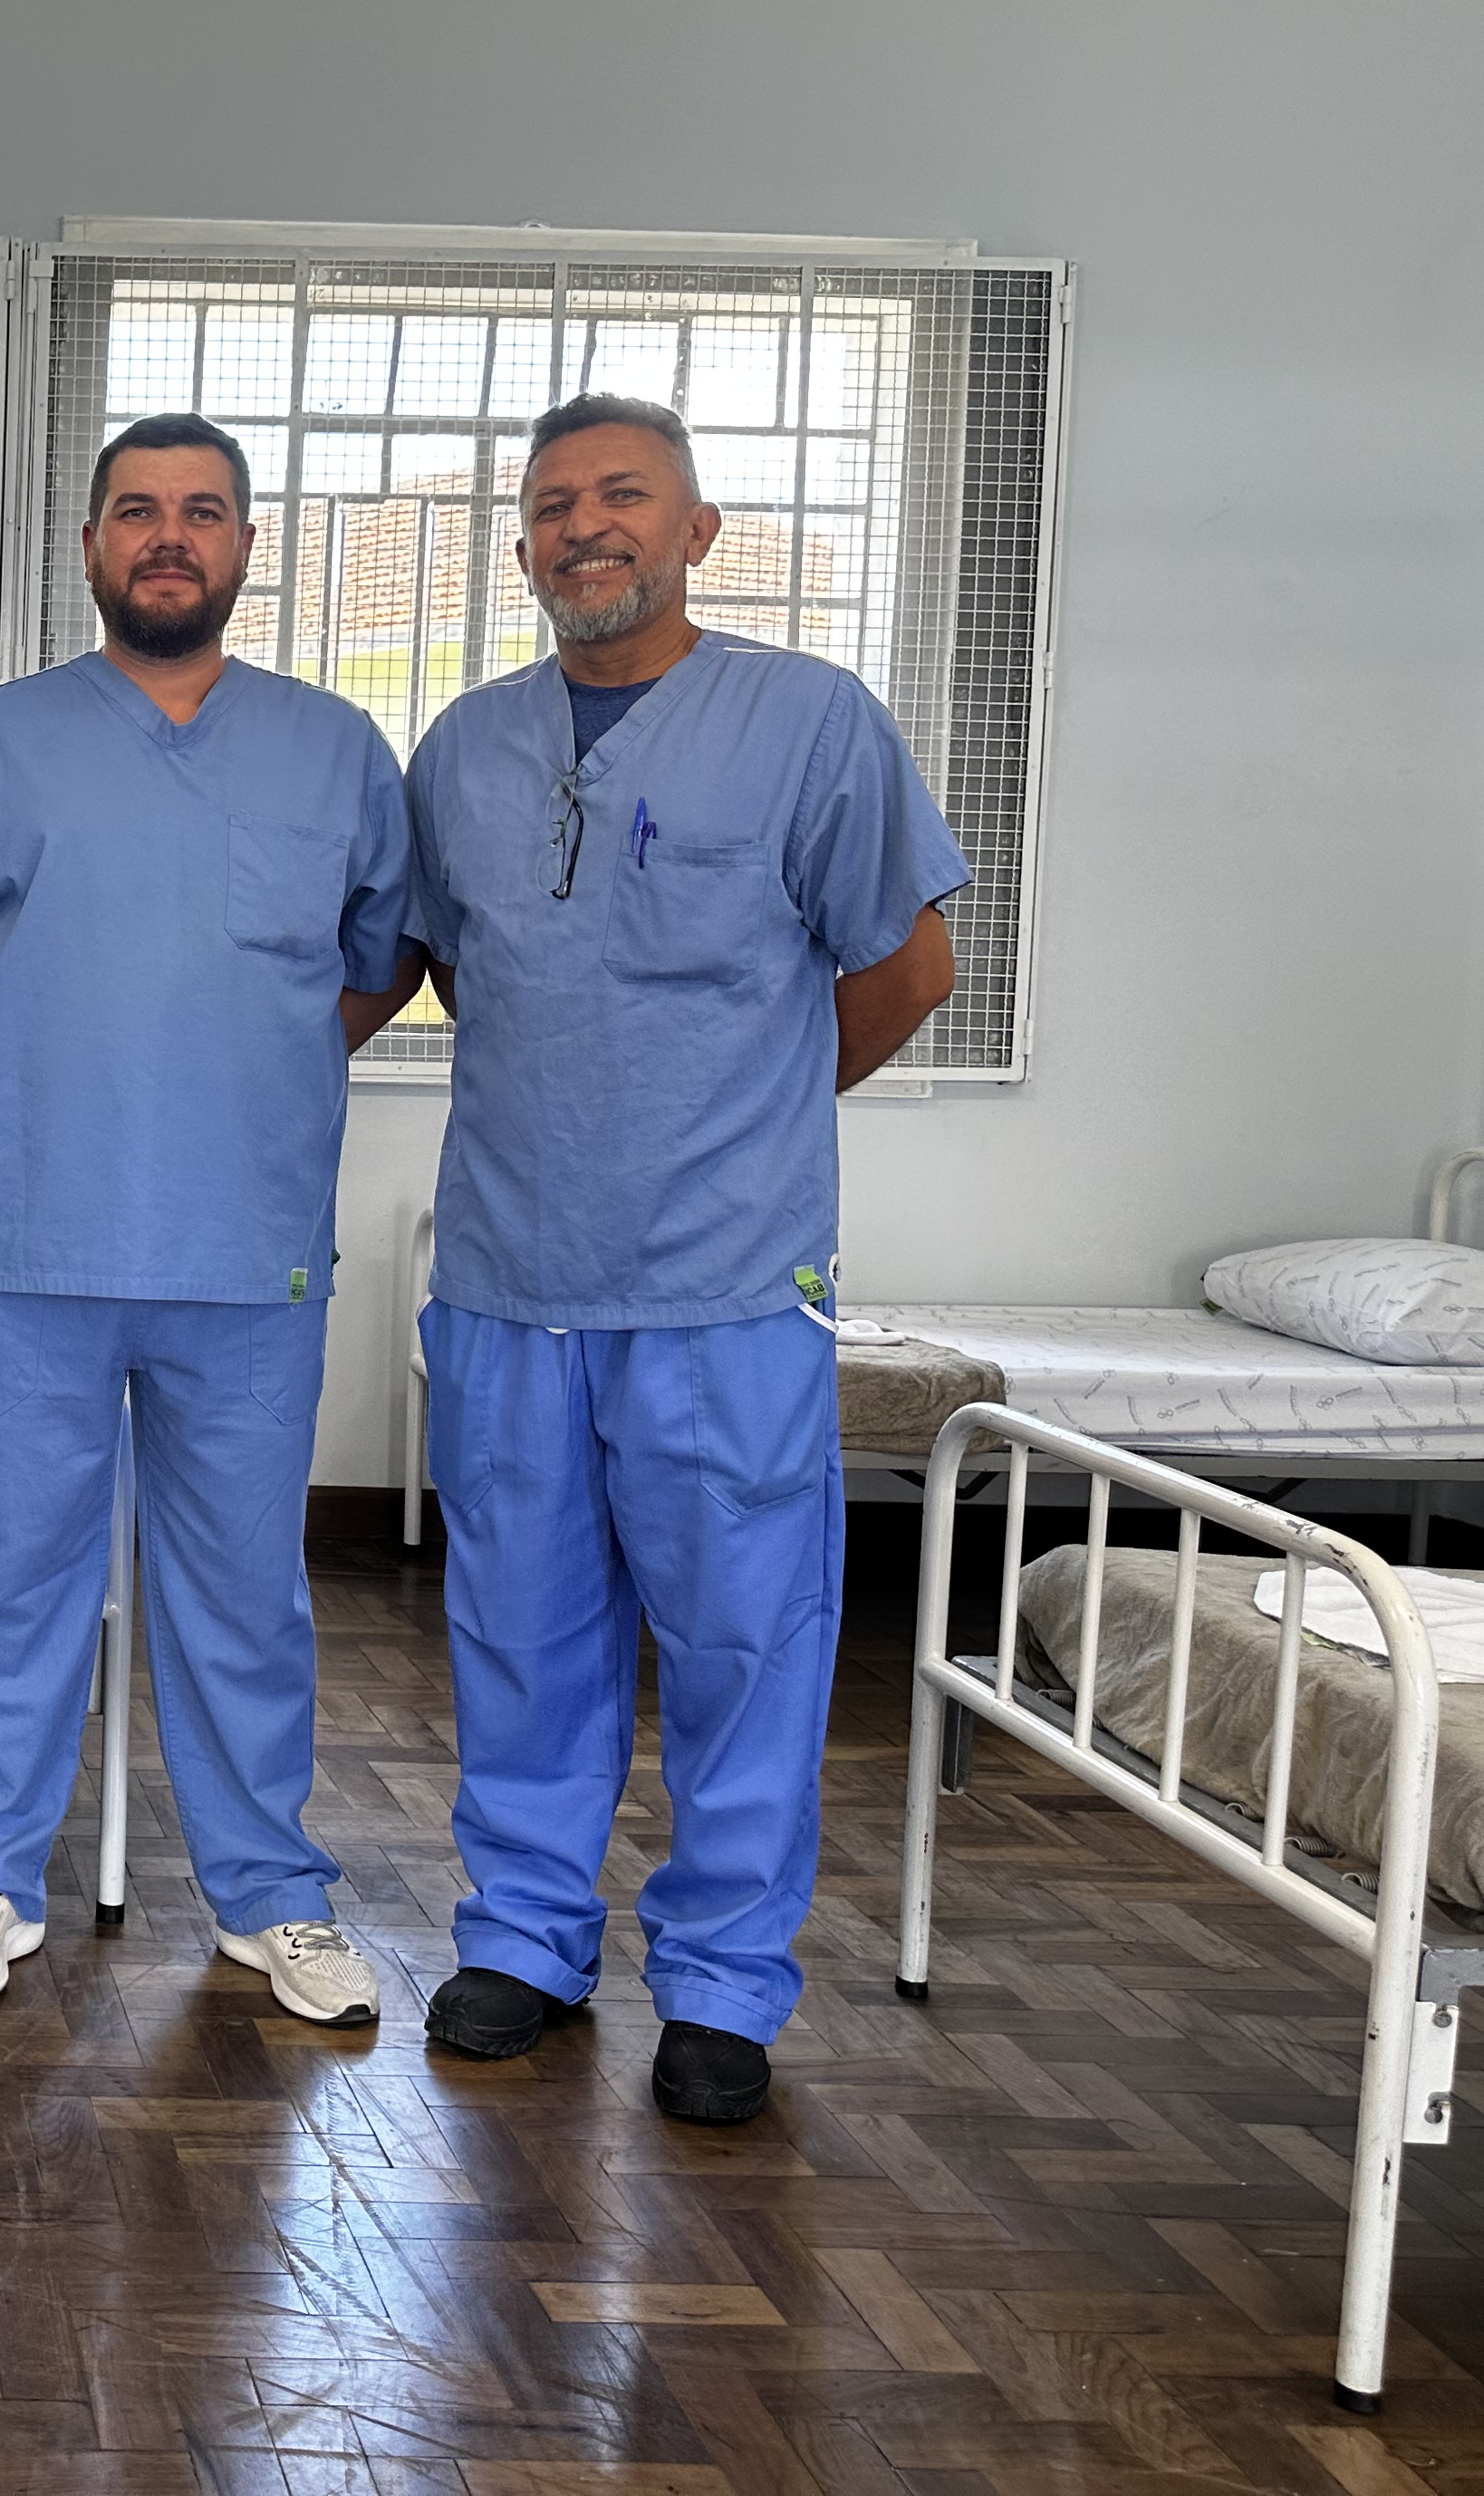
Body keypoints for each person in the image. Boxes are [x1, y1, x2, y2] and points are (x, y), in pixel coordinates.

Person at [404, 392, 966, 2125]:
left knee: (744, 1643)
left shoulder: (809, 724)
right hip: (509, 1274)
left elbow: (908, 970)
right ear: (522, 545)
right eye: (553, 503)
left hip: (723, 1289)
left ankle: (723, 1983)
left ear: (698, 530)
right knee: (519, 1630)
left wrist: (747, 1116)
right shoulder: (465, 751)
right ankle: (526, 1937)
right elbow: (461, 969)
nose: (586, 526)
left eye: (623, 494)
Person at [0, 412, 419, 2025]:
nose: (169, 535)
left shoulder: (334, 752)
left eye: (203, 511)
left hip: (247, 1248)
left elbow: (382, 958)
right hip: (36, 1241)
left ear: (245, 544)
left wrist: (260, 1065)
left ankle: (271, 1894)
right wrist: (26, 1056)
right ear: (92, 544)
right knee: (11, 1574)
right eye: (137, 510)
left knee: (245, 1589)